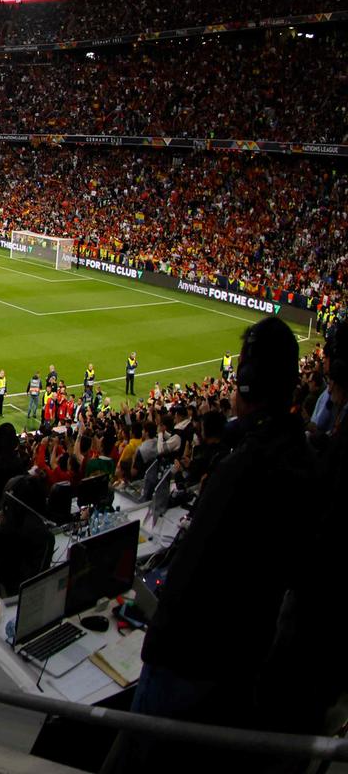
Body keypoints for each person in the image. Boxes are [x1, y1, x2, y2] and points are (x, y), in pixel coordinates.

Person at [134, 317, 318, 750]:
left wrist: (154, 639)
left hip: (190, 665)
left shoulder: (241, 469)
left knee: (141, 752)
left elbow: (189, 575)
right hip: (244, 660)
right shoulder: (306, 462)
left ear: (247, 387)